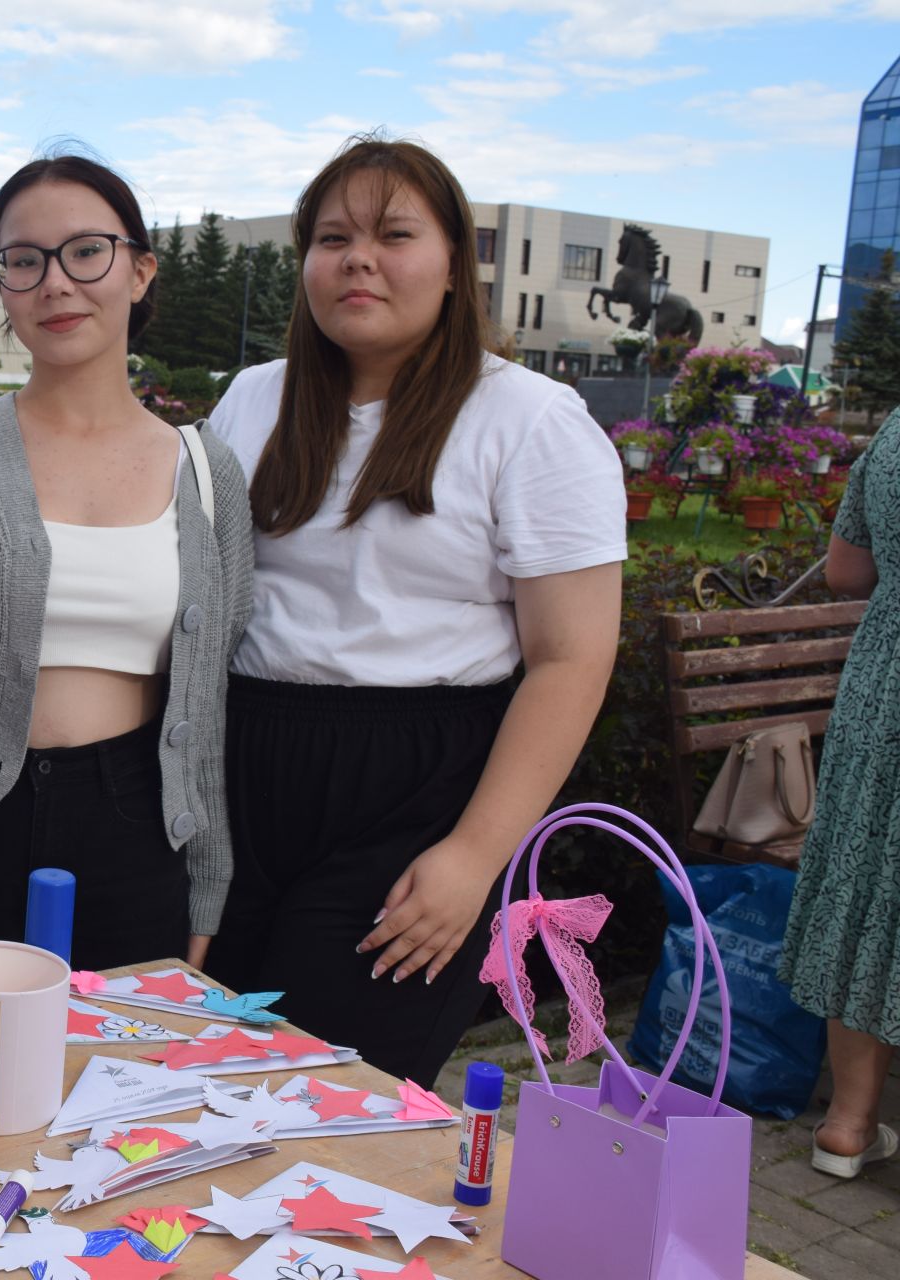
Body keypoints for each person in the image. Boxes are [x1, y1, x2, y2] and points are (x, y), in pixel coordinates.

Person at [206, 136, 624, 1085]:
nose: (358, 258)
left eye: (395, 234)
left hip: (412, 796)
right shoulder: (251, 401)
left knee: (330, 1102)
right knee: (206, 1079)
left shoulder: (530, 420)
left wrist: (475, 857)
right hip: (243, 781)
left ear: (452, 265)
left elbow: (571, 659)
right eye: (332, 236)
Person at [0, 154, 253, 971]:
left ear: (140, 270)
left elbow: (207, 697)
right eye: (26, 261)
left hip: (134, 821)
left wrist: (208, 877)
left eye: (86, 251)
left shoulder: (205, 471)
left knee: (111, 1075)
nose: (56, 283)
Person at [781, 408, 900, 1179]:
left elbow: (847, 572)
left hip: (884, 690)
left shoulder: (894, 432)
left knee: (865, 882)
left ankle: (847, 1126)